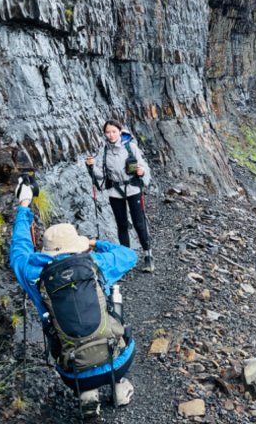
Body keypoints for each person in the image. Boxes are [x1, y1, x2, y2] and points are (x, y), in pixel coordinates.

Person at [10, 179, 137, 417]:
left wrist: (24, 204)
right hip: (117, 363)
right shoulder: (96, 264)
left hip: (73, 374)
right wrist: (94, 243)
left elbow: (18, 249)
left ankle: (87, 396)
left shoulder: (34, 274)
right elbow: (129, 255)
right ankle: (119, 388)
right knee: (114, 308)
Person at [85, 120, 154, 272]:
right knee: (122, 225)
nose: (111, 135)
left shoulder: (131, 147)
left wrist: (142, 171)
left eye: (114, 131)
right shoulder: (104, 151)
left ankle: (148, 256)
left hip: (133, 188)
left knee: (139, 223)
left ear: (120, 132)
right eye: (108, 132)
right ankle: (125, 258)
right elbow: (100, 174)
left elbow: (142, 165)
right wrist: (91, 166)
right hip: (115, 191)